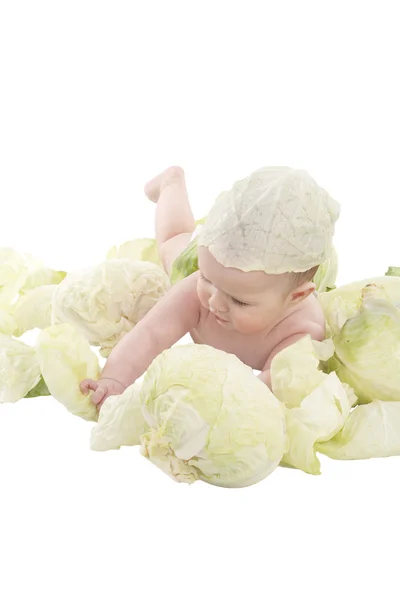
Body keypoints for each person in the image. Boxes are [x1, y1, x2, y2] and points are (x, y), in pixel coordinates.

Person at [80, 165, 340, 409]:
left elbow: (266, 390)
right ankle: (171, 184)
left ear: (297, 297)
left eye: (239, 301)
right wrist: (114, 380)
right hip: (219, 254)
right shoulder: (197, 287)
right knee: (172, 246)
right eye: (207, 278)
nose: (214, 301)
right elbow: (151, 333)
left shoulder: (303, 332)